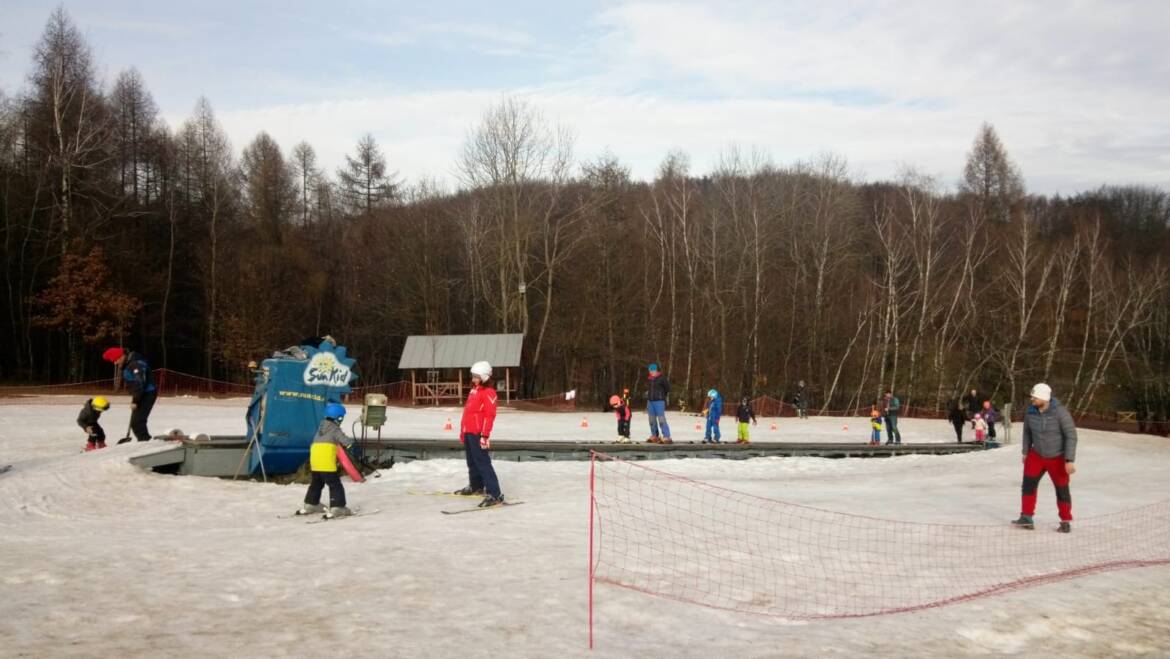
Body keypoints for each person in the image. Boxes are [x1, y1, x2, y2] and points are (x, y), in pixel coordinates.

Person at [1012, 383, 1078, 533]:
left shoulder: (1060, 413)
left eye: (1034, 397)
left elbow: (1071, 435)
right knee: (1028, 485)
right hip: (1036, 455)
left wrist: (1069, 460)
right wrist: (1025, 452)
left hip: (1057, 456)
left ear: (1043, 397)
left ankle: (1065, 521)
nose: (1032, 399)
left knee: (1062, 489)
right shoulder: (1030, 412)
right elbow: (1027, 433)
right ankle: (1027, 518)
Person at [453, 360, 504, 508]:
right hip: (469, 432)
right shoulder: (474, 390)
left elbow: (490, 415)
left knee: (483, 463)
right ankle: (476, 486)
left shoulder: (489, 393)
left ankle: (495, 494)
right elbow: (467, 412)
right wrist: (463, 430)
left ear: (485, 377)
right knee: (471, 461)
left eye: (476, 377)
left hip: (479, 434)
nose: (474, 379)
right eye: (473, 376)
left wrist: (485, 435)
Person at [299, 402, 353, 518]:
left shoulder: (321, 428)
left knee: (316, 483)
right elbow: (345, 442)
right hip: (326, 462)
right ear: (339, 417)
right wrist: (352, 445)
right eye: (341, 417)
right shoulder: (334, 429)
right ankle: (338, 507)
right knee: (335, 485)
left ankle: (310, 504)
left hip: (315, 462)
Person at [102, 347, 157, 442]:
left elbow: (140, 382)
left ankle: (146, 444)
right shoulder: (130, 363)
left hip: (147, 394)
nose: (115, 363)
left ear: (122, 356)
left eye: (116, 360)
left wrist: (135, 400)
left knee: (137, 423)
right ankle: (144, 442)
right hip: (141, 394)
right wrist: (135, 398)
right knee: (136, 422)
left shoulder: (135, 364)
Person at [646, 363, 673, 444]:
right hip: (650, 401)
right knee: (651, 419)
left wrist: (661, 395)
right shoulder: (649, 379)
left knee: (661, 419)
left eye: (653, 370)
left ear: (656, 370)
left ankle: (666, 436)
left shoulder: (662, 378)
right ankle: (654, 435)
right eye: (650, 371)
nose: (651, 372)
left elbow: (667, 388)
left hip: (659, 401)